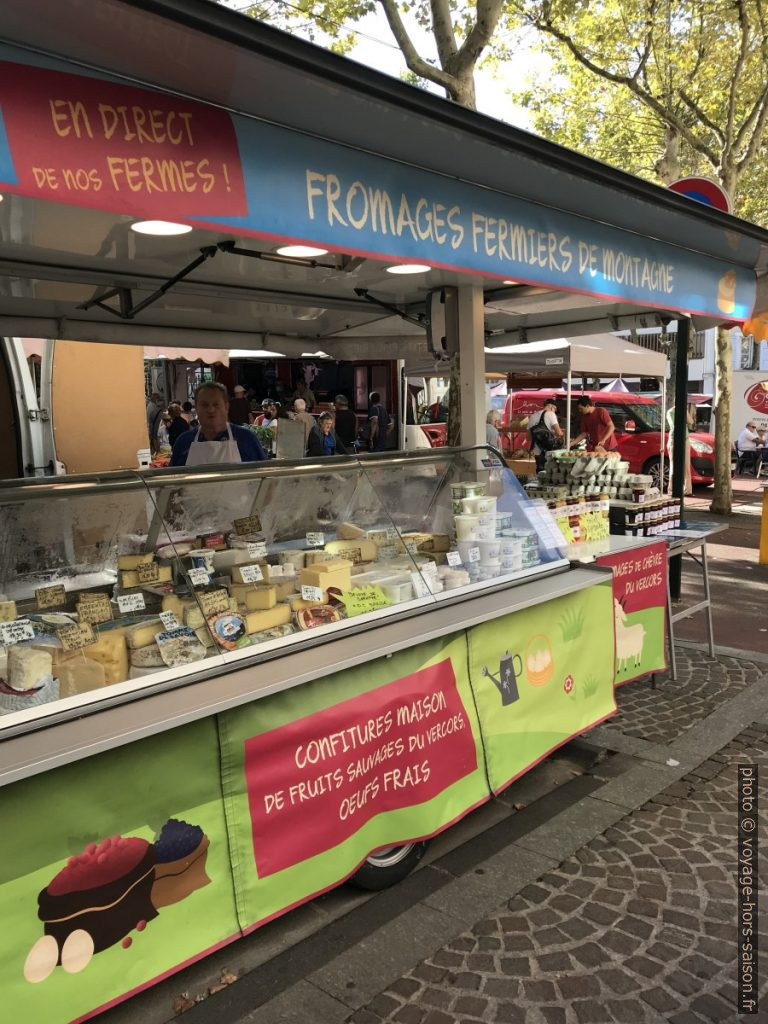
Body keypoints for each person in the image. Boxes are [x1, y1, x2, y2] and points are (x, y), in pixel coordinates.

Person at [170, 381, 267, 466]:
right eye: (205, 405)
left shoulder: (247, 439)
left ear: (226, 407)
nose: (211, 410)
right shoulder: (183, 442)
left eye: (216, 404)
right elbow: (172, 479)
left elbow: (264, 476)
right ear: (196, 408)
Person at [527, 398, 564, 471]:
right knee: (551, 473)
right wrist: (560, 433)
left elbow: (528, 437)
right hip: (550, 452)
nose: (554, 412)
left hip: (537, 452)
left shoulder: (532, 416)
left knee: (540, 473)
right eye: (555, 410)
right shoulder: (551, 414)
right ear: (552, 407)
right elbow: (559, 433)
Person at [666, 404, 695, 496]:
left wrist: (686, 412)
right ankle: (671, 489)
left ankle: (688, 490)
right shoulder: (670, 412)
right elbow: (674, 427)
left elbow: (691, 422)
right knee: (673, 465)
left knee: (687, 465)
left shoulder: (683, 411)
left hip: (685, 439)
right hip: (674, 439)